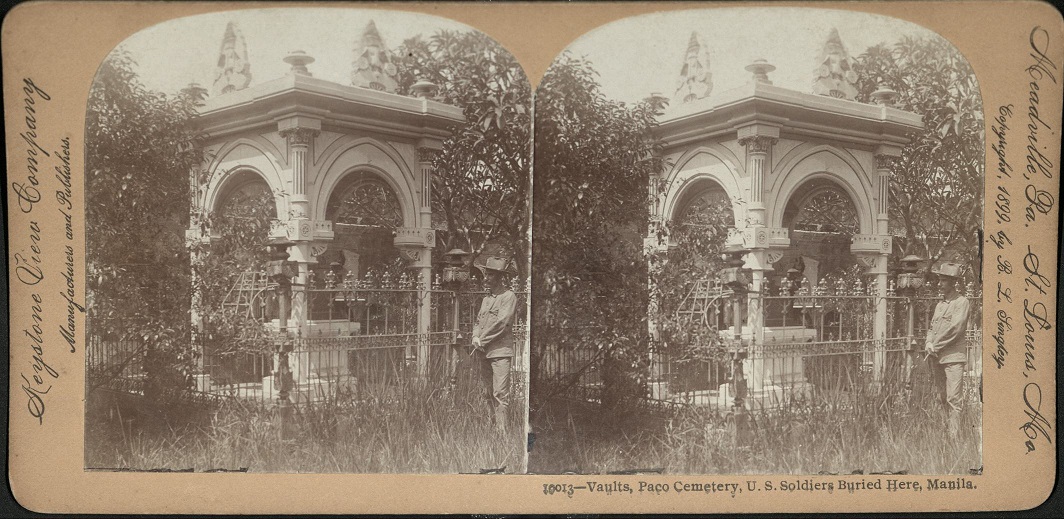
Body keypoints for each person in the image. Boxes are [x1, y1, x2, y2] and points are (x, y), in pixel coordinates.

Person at [470, 256, 518, 434]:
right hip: (483, 351)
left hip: (500, 353)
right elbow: (477, 321)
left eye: (490, 275)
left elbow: (503, 323)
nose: (486, 278)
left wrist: (481, 339)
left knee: (500, 394)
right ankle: (490, 429)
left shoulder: (508, 297)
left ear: (500, 277)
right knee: (486, 392)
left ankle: (502, 433)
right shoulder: (486, 299)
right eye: (486, 274)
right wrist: (475, 337)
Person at [923, 262, 971, 438]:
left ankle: (954, 439)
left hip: (953, 359)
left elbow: (956, 329)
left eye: (943, 281)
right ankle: (944, 437)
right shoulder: (940, 305)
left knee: (953, 400)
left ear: (953, 282)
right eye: (939, 280)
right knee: (940, 398)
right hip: (937, 357)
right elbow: (931, 328)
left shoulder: (961, 302)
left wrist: (935, 345)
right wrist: (928, 342)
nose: (940, 284)